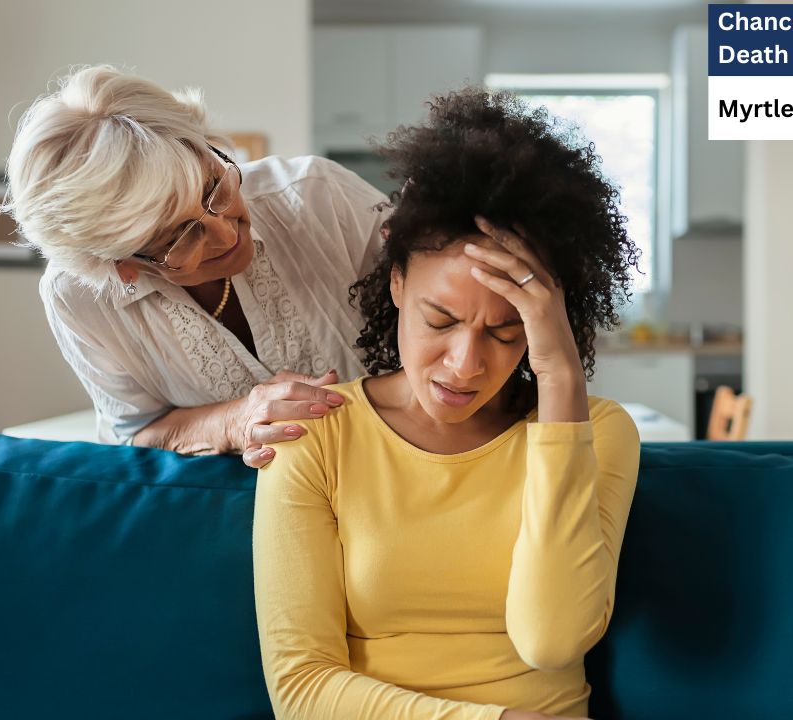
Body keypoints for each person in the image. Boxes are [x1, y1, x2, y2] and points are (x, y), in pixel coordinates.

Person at [253, 88, 642, 720]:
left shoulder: (596, 430)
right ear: (398, 284)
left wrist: (560, 380)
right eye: (441, 320)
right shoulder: (315, 434)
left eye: (506, 331)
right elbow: (300, 689)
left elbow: (553, 639)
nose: (465, 365)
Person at [4, 65, 391, 466]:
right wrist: (234, 421)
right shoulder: (79, 297)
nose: (227, 235)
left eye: (214, 187)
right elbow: (135, 435)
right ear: (119, 265)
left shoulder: (317, 194)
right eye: (178, 237)